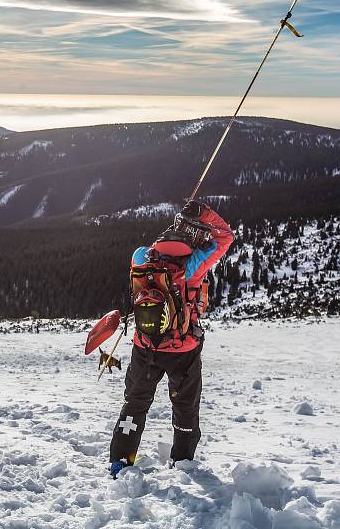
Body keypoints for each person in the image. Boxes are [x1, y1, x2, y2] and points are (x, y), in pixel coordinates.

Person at [109, 200, 234, 478]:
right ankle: (181, 463)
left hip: (145, 346)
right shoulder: (191, 267)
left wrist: (173, 229)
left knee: (135, 403)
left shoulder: (142, 257)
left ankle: (120, 460)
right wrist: (202, 213)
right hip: (183, 350)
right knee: (185, 407)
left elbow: (151, 250)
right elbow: (225, 237)